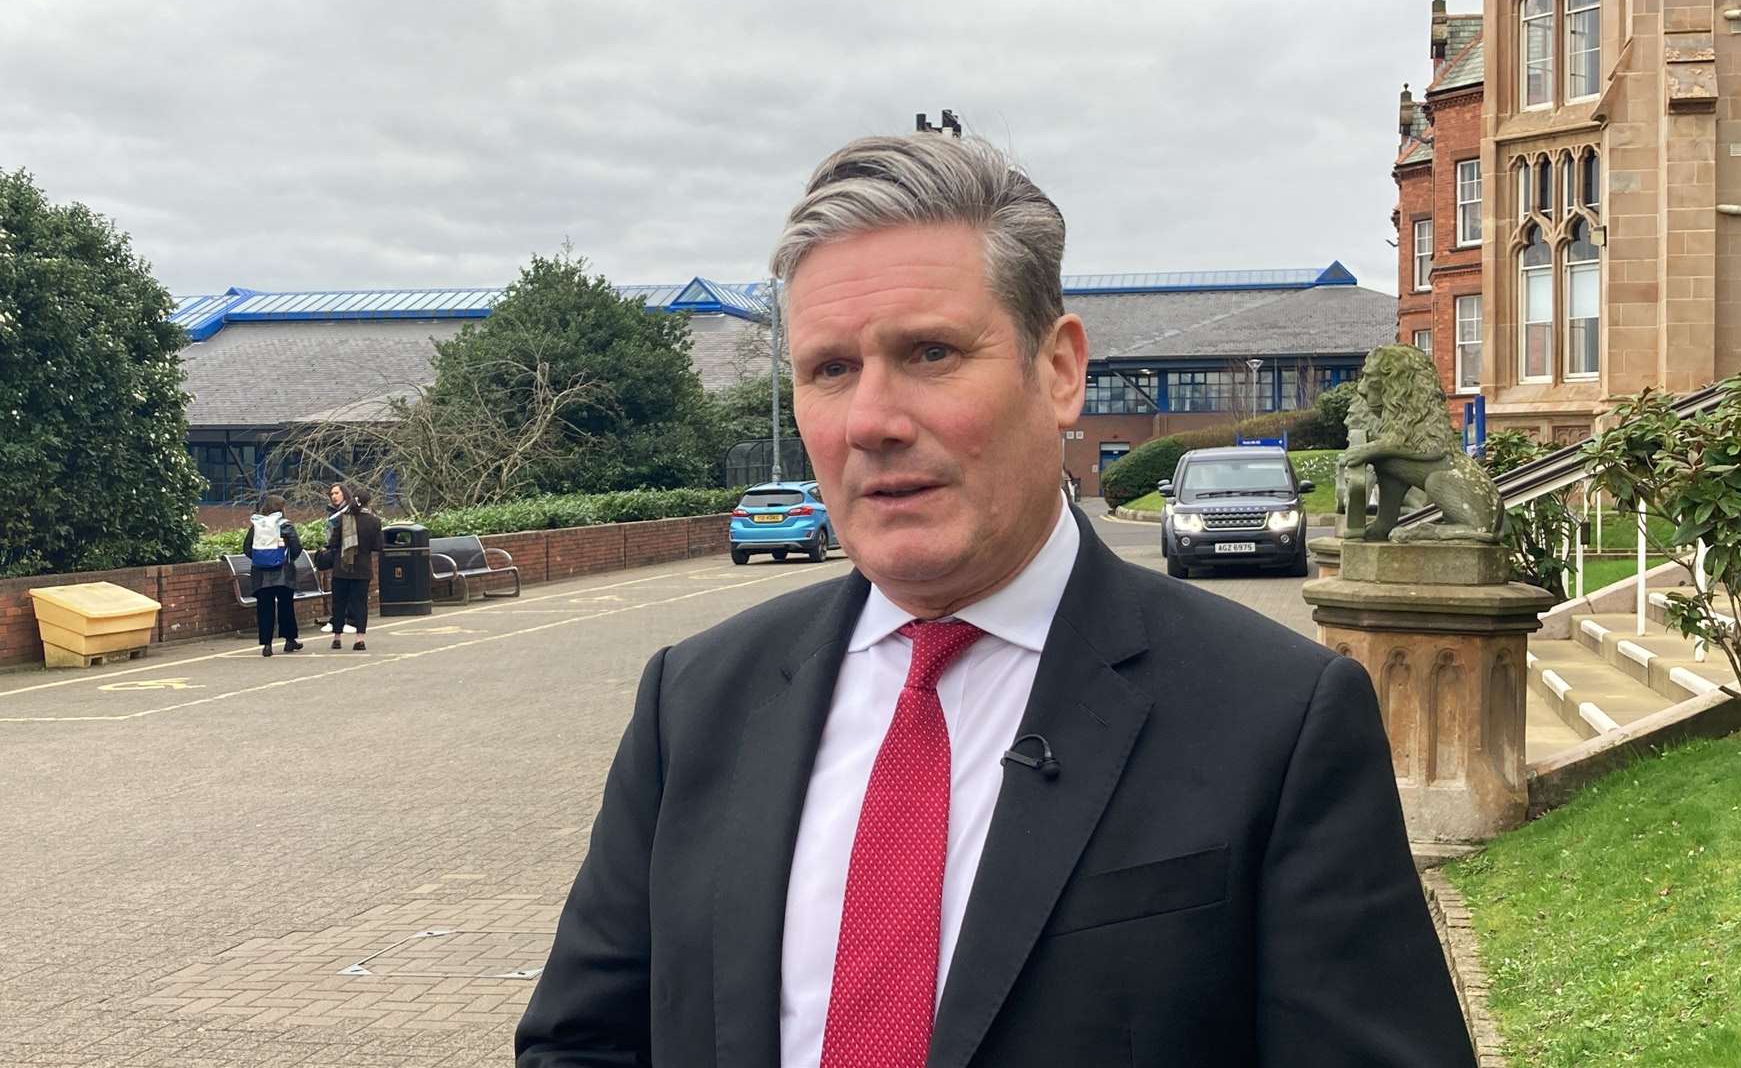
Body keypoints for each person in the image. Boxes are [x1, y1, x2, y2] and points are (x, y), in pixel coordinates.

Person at [516, 134, 1474, 1066]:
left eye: (930, 353)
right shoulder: (693, 701)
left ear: (1058, 370)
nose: (872, 422)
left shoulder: (1277, 718)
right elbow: (584, 1039)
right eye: (831, 369)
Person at [242, 496, 304, 658]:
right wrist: (286, 560)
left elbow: (247, 548)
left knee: (265, 609)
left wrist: (261, 560)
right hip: (283, 573)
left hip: (261, 575)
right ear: (281, 508)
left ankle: (267, 644)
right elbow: (297, 547)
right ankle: (290, 640)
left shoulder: (257, 526)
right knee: (286, 607)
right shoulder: (285, 525)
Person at [323, 489, 381, 652]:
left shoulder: (343, 519)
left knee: (339, 603)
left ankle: (337, 638)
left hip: (341, 568)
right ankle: (359, 639)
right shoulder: (374, 521)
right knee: (360, 604)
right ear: (368, 502)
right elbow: (378, 546)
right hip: (362, 569)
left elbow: (333, 543)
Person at [317, 483, 357, 636]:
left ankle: (349, 618)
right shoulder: (333, 512)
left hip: (348, 551)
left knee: (349, 587)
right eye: (331, 494)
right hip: (336, 552)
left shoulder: (349, 510)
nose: (334, 497)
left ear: (344, 494)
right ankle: (338, 618)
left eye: (336, 493)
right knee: (339, 587)